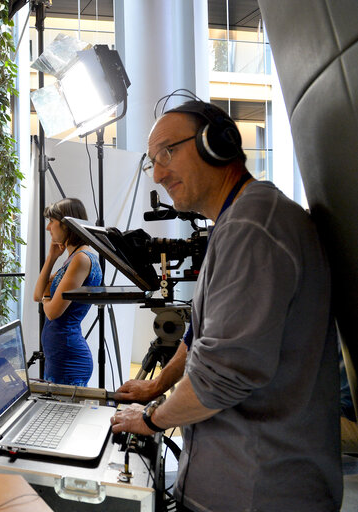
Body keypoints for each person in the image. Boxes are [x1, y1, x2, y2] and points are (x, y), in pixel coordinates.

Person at [110, 100, 342, 511]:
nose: (159, 173)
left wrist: (149, 419)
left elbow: (220, 379)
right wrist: (157, 385)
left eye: (167, 152)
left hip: (257, 493)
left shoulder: (252, 229)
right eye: (152, 162)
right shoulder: (241, 219)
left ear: (217, 144)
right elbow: (199, 337)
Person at [33, 198, 102, 387]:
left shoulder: (81, 259)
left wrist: (48, 296)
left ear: (66, 225)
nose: (48, 228)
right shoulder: (73, 259)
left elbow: (52, 311)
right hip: (60, 356)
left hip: (68, 359)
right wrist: (51, 258)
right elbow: (37, 295)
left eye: (51, 222)